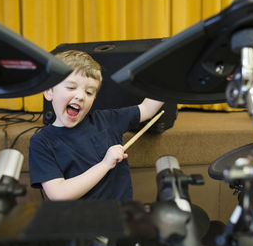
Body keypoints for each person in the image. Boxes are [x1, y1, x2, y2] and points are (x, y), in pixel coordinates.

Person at [29, 50, 164, 202]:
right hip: (81, 221)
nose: (80, 96)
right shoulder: (41, 142)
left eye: (89, 92)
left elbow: (147, 108)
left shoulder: (107, 120)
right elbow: (58, 194)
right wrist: (105, 164)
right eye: (71, 87)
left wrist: (168, 78)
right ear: (49, 92)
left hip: (121, 215)